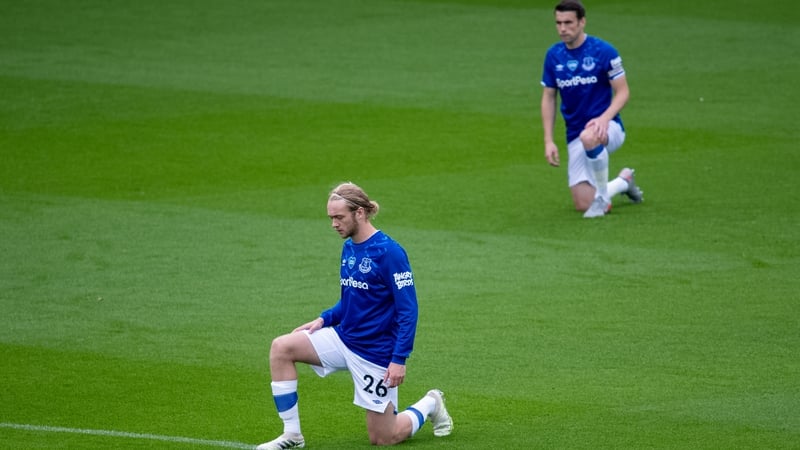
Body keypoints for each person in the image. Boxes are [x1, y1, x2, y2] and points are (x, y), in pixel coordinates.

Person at [257, 182, 453, 449]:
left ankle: (431, 403)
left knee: (384, 438)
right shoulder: (350, 247)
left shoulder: (390, 253)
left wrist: (399, 359)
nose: (334, 224)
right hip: (343, 339)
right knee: (282, 347)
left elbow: (408, 310)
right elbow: (353, 297)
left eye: (339, 217)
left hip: (375, 354)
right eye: (331, 218)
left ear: (359, 213)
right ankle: (292, 435)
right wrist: (325, 319)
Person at [540, 0, 644, 218]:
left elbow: (623, 92)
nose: (562, 29)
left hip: (609, 128)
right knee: (582, 204)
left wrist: (605, 119)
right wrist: (548, 140)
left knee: (590, 136)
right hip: (575, 135)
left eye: (568, 22)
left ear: (582, 22)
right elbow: (549, 97)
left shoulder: (604, 51)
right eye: (558, 23)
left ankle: (602, 199)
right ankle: (623, 181)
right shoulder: (553, 56)